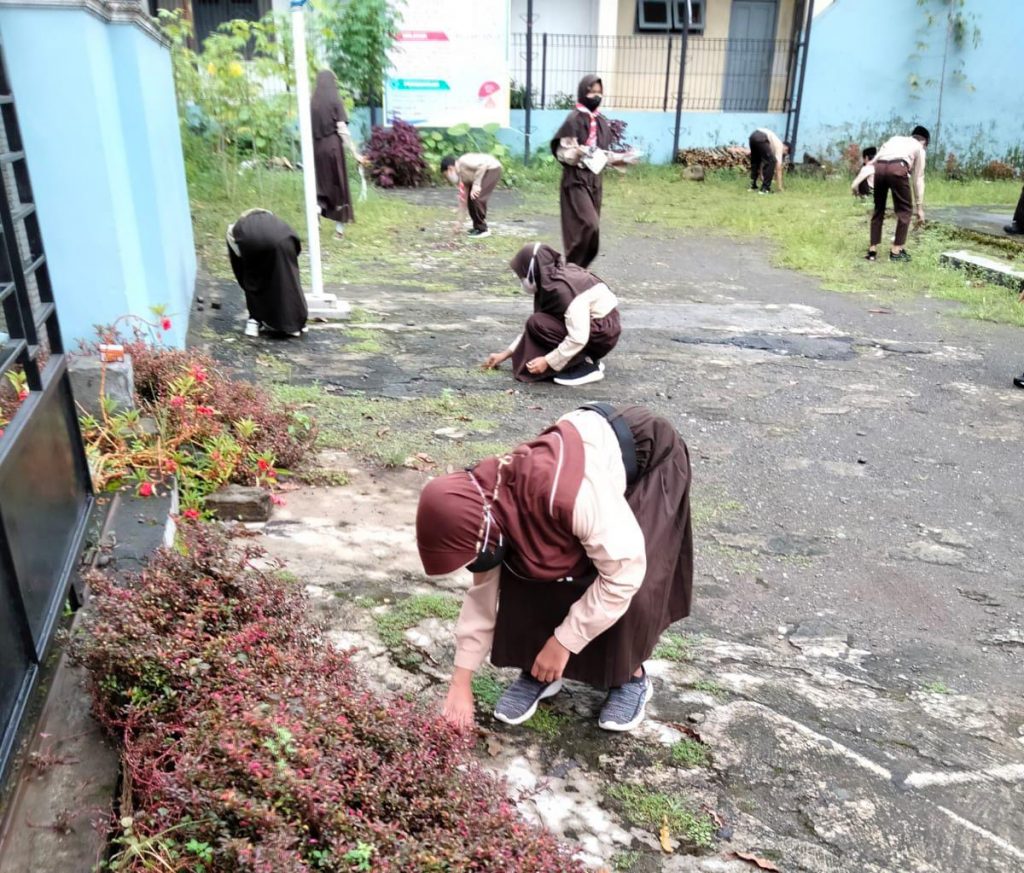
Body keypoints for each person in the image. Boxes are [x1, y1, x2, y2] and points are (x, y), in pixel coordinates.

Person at [415, 403, 693, 733]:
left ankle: (630, 676)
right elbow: (482, 596)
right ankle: (540, 671)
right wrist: (460, 683)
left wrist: (564, 642)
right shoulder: (485, 512)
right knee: (525, 565)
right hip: (585, 467)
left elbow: (625, 572)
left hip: (647, 455)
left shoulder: (567, 497)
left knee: (636, 580)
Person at [483, 243, 621, 387]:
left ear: (533, 271)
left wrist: (548, 361)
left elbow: (579, 338)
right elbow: (534, 327)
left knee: (538, 323)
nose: (522, 281)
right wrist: (504, 354)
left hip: (602, 333)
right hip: (593, 327)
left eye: (522, 276)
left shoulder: (564, 291)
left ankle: (585, 365)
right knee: (537, 322)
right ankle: (584, 358)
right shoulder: (551, 282)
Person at [551, 75, 638, 268]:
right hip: (576, 180)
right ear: (583, 92)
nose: (595, 96)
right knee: (587, 224)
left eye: (599, 92)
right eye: (591, 91)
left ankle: (578, 270)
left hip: (595, 180)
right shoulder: (573, 119)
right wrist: (579, 152)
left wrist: (623, 157)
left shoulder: (600, 122)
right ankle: (571, 266)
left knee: (592, 233)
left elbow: (603, 154)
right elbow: (563, 151)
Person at [226, 209, 307, 338]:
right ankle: (295, 323)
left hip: (252, 242)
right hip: (287, 239)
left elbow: (239, 260)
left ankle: (255, 320)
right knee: (287, 280)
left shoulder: (237, 227)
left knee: (252, 277)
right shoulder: (275, 221)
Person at [311, 70, 365, 239]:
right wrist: (354, 152)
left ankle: (317, 214)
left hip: (316, 148)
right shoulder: (335, 100)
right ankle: (339, 231)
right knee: (338, 186)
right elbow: (342, 129)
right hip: (333, 149)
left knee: (319, 185)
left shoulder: (312, 103)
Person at [866, 126, 929, 262]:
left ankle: (872, 250)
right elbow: (918, 178)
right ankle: (896, 251)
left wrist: (870, 182)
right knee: (905, 211)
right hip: (897, 168)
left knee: (878, 208)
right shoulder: (919, 148)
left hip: (880, 168)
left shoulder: (895, 139)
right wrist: (919, 207)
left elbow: (876, 159)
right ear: (924, 142)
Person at [441, 153, 503, 238]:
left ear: (450, 169)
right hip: (483, 173)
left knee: (477, 196)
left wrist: (476, 184)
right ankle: (477, 227)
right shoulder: (462, 177)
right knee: (471, 199)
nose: (447, 179)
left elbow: (483, 165)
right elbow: (463, 201)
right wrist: (459, 223)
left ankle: (483, 229)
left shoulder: (463, 161)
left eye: (446, 175)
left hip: (492, 168)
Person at [748, 127, 789, 193]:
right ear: (786, 148)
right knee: (772, 161)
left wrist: (762, 176)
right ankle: (765, 189)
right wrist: (780, 187)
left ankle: (753, 186)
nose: (783, 155)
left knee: (756, 161)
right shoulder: (780, 146)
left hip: (753, 136)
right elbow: (778, 168)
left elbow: (762, 163)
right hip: (761, 137)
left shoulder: (771, 146)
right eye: (785, 153)